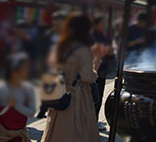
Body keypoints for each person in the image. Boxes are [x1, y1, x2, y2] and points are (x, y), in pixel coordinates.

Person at [42, 13, 101, 142]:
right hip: (77, 98)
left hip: (59, 94)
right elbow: (87, 76)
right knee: (76, 133)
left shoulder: (60, 46)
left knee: (56, 130)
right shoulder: (83, 50)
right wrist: (96, 66)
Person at [0, 53, 36, 142]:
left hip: (20, 135)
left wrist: (17, 105)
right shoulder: (1, 90)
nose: (27, 71)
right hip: (1, 135)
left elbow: (31, 112)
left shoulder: (28, 90)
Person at [37, 10, 67, 119]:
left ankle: (57, 104)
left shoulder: (67, 36)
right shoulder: (49, 34)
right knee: (46, 87)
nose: (59, 23)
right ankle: (43, 109)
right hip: (48, 64)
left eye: (61, 21)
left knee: (59, 86)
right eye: (57, 21)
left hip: (62, 65)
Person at [91, 16, 112, 124]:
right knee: (92, 96)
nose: (104, 26)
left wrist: (109, 52)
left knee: (100, 95)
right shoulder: (92, 36)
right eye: (102, 23)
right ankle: (90, 120)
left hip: (103, 70)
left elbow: (109, 54)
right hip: (93, 70)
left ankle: (95, 119)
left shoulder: (104, 36)